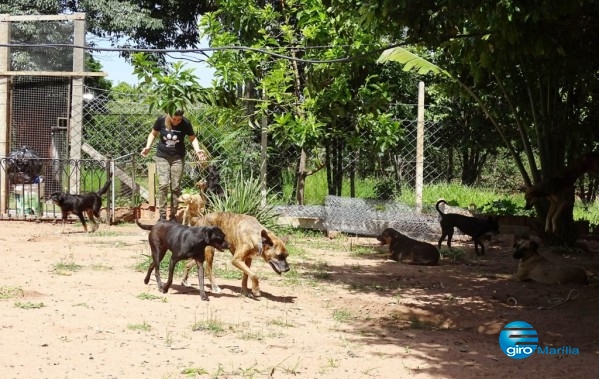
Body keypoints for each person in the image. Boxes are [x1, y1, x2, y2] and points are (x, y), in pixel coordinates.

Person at [140, 110, 208, 220]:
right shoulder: (161, 119)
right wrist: (147, 147)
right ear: (168, 115)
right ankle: (162, 216)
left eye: (179, 119)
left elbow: (193, 138)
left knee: (175, 187)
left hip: (178, 158)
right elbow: (153, 133)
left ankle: (173, 216)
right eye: (174, 119)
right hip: (162, 156)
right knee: (163, 185)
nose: (176, 122)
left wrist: (197, 150)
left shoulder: (185, 123)